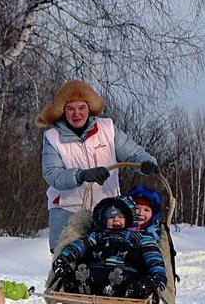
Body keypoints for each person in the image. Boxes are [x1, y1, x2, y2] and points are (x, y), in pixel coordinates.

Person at [37, 79, 159, 252]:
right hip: (67, 209)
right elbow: (52, 174)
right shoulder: (53, 137)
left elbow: (132, 152)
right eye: (70, 108)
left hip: (107, 209)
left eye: (81, 108)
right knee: (65, 259)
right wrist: (81, 175)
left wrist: (147, 163)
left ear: (90, 108)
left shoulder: (107, 129)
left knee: (107, 259)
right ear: (63, 111)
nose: (76, 114)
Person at [51, 195, 168, 304]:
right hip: (98, 273)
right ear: (103, 220)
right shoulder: (97, 236)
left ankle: (131, 289)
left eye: (120, 217)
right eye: (111, 217)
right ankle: (82, 284)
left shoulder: (139, 237)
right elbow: (79, 246)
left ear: (129, 218)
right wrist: (64, 258)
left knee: (137, 281)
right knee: (83, 273)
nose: (116, 220)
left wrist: (158, 275)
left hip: (126, 275)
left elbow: (152, 255)